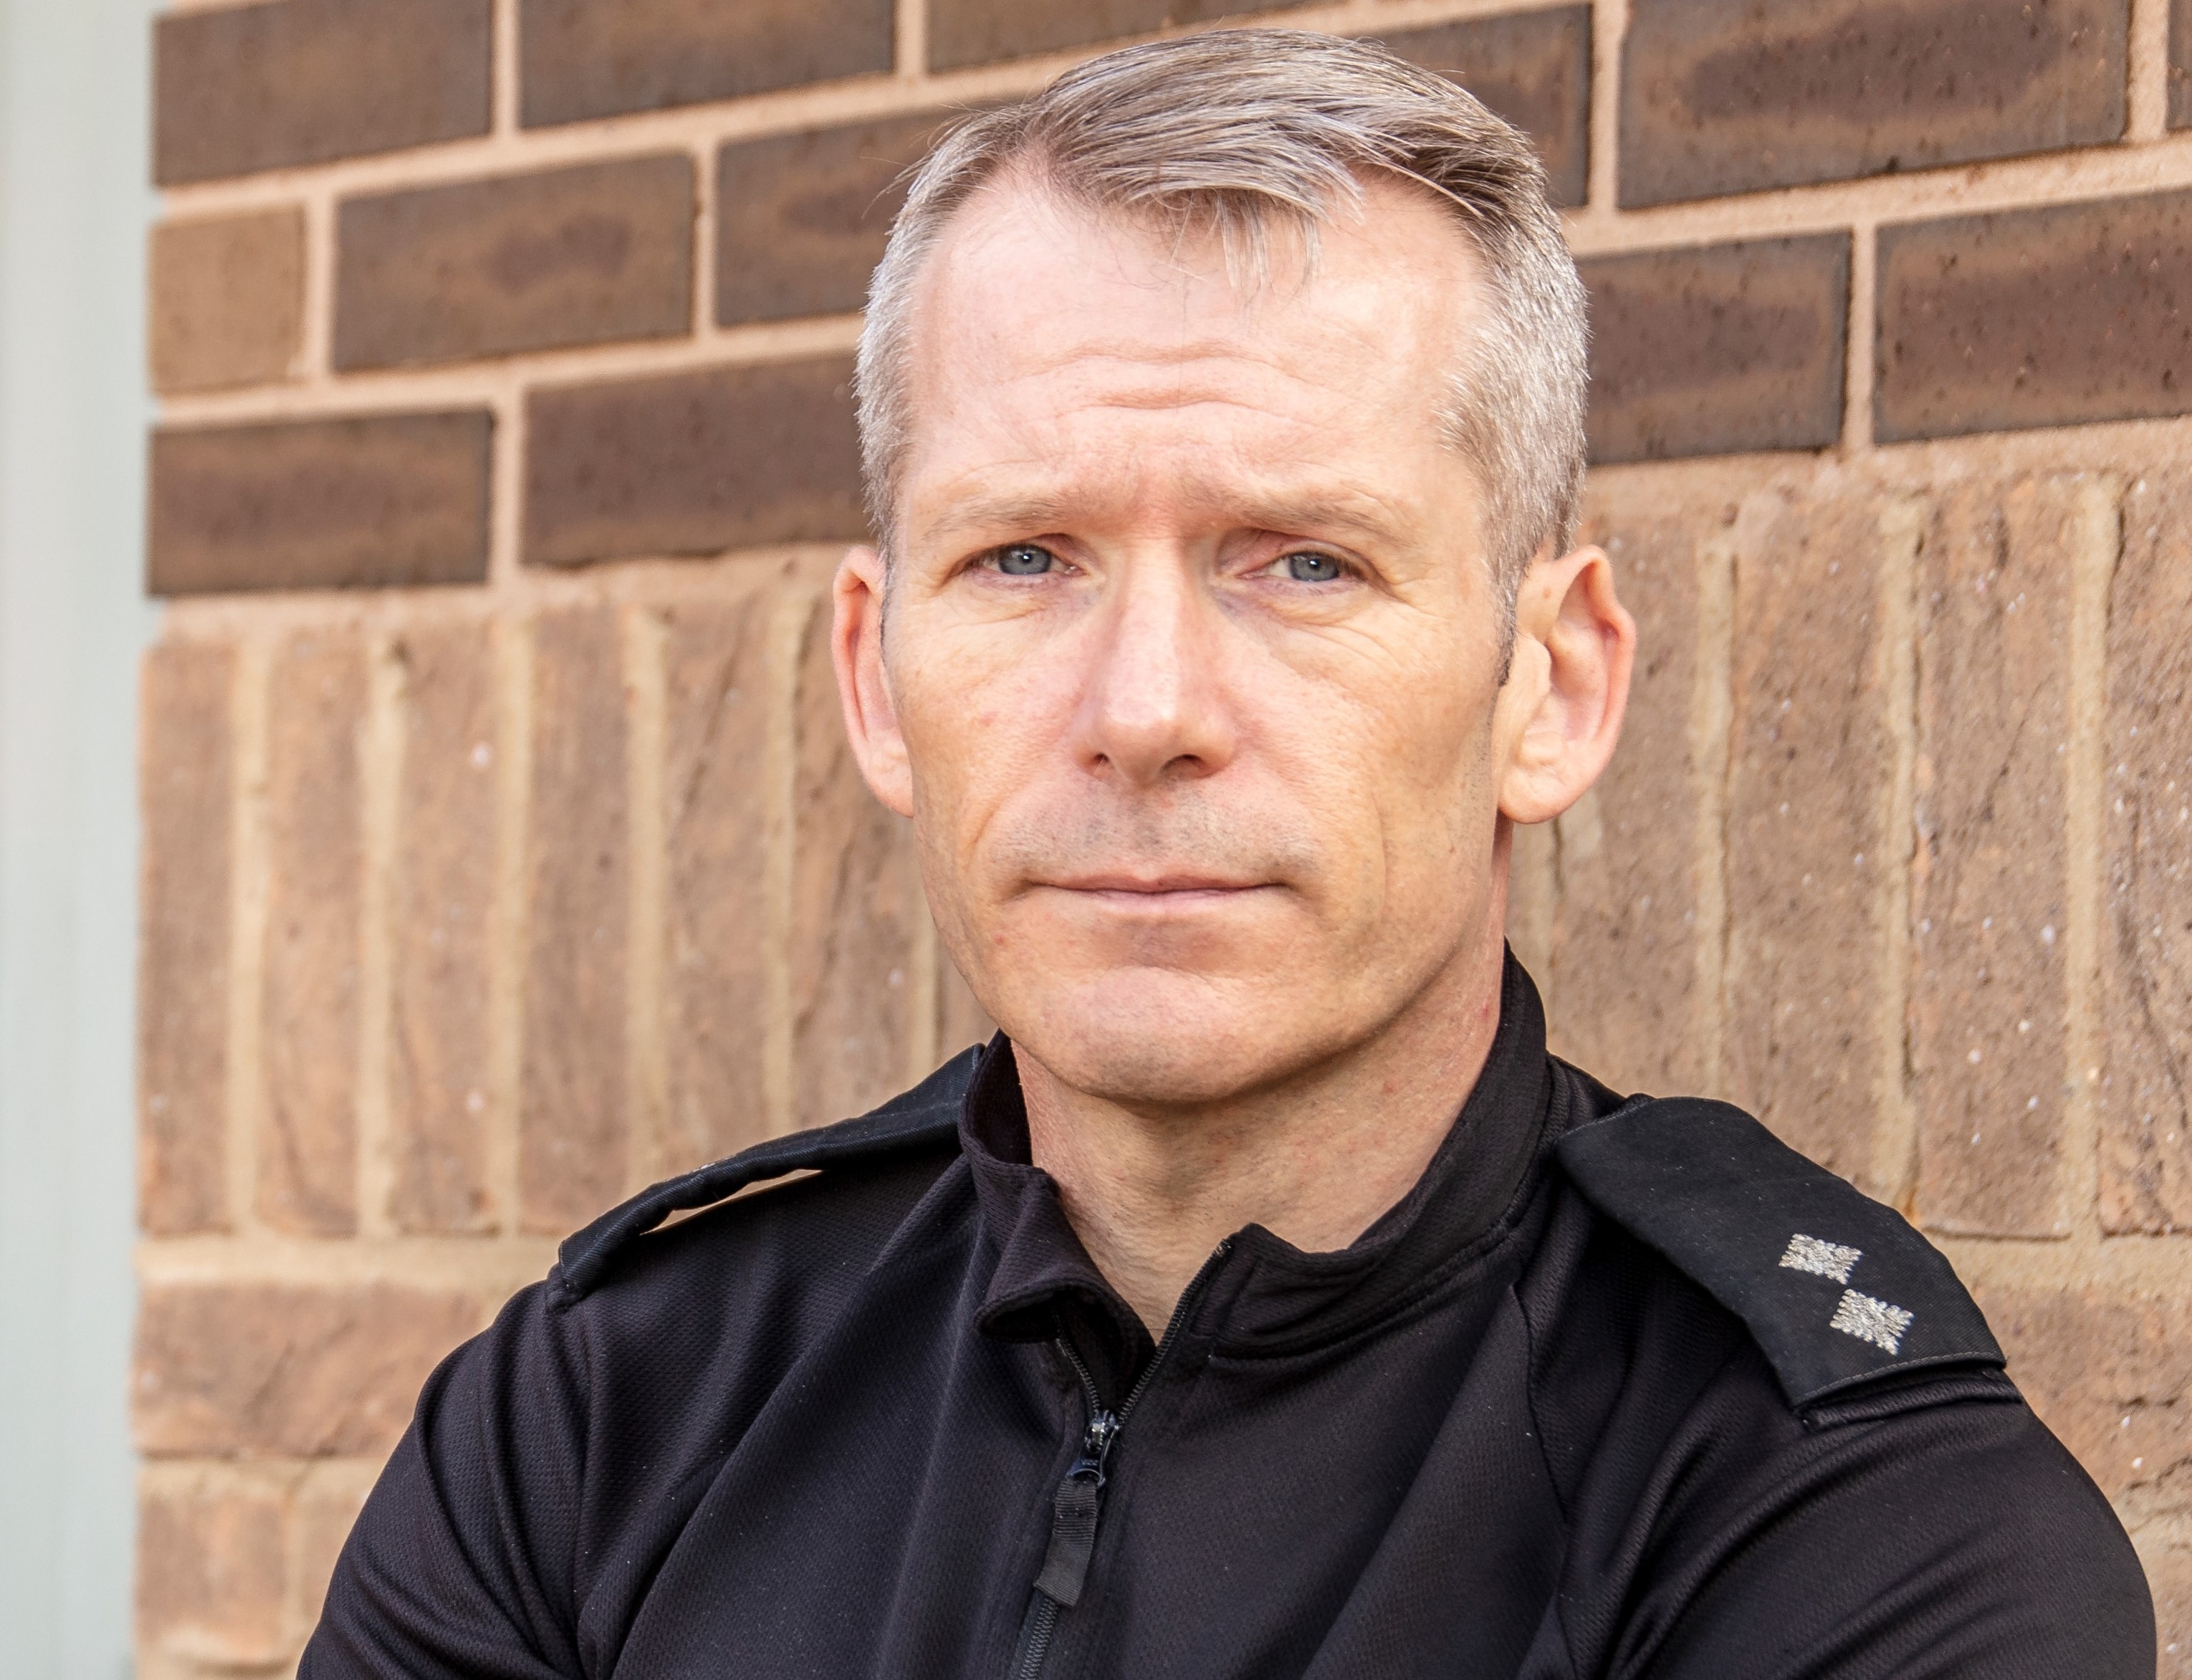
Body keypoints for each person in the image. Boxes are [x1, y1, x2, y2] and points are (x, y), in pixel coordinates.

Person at [303, 29, 2153, 1679]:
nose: (1145, 709)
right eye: (1024, 557)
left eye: (1303, 561)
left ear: (1552, 685)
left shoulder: (1840, 1512)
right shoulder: (606, 1415)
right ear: (877, 680)